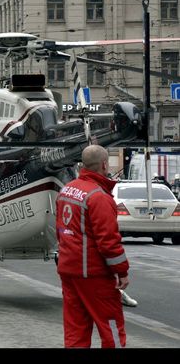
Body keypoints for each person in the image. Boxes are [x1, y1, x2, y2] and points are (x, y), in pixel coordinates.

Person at [55, 144, 129, 348]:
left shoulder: (66, 190)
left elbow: (60, 230)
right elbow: (108, 242)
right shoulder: (99, 197)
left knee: (75, 329)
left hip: (69, 271)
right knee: (111, 326)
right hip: (94, 274)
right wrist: (121, 271)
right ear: (104, 165)